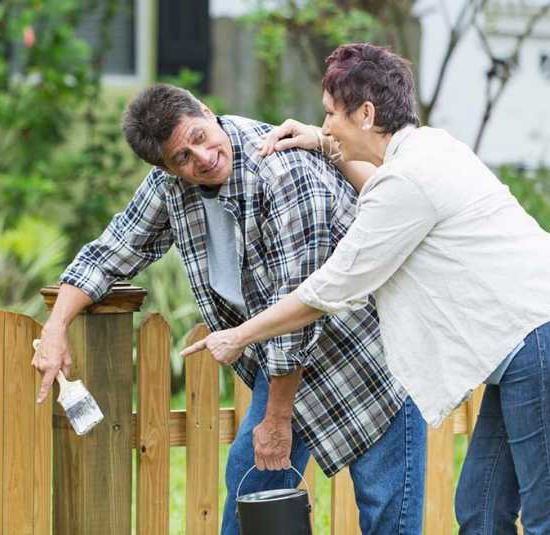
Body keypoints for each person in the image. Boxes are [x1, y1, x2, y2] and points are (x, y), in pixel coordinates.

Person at [183, 43, 550, 534]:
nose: (327, 123)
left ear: (367, 113)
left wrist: (240, 334)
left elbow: (329, 289)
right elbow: (381, 185)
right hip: (520, 349)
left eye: (331, 113)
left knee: (542, 512)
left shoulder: (410, 180)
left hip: (536, 341)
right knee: (481, 511)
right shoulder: (426, 150)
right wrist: (319, 140)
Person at [32, 83, 426, 535]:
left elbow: (297, 303)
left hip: (370, 355)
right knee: (250, 488)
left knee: (385, 512)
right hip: (286, 362)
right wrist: (57, 325)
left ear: (206, 110)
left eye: (200, 136)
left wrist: (276, 419)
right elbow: (112, 250)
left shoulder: (279, 169)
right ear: (165, 167)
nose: (200, 158)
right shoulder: (171, 185)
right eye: (181, 157)